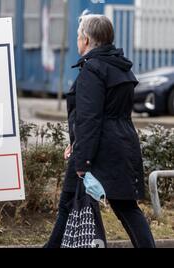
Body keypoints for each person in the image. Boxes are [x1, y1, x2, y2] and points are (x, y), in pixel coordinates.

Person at [45, 13, 156, 248]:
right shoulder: (120, 67)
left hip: (96, 151)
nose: (77, 41)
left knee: (117, 207)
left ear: (86, 39)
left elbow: (90, 118)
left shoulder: (92, 71)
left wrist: (83, 161)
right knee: (123, 207)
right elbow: (106, 115)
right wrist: (76, 143)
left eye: (78, 36)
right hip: (119, 144)